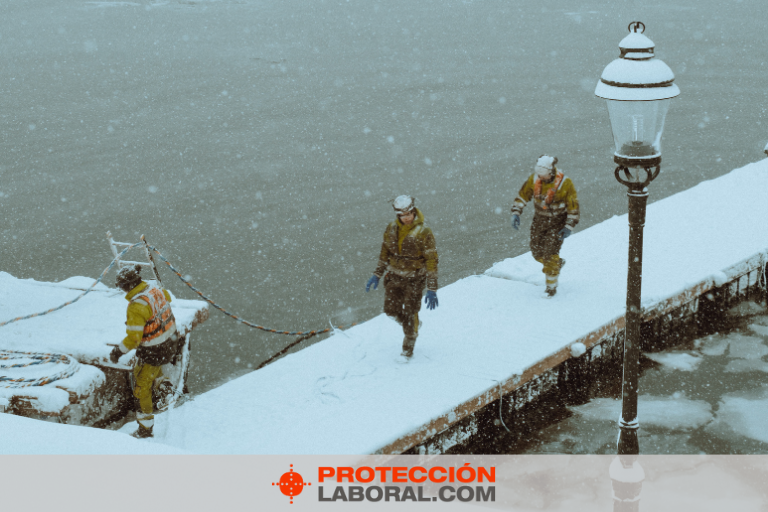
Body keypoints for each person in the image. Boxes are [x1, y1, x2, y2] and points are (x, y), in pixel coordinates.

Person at [109, 264, 179, 438]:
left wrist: (118, 351)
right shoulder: (155, 289)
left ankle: (145, 429)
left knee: (141, 388)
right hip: (171, 340)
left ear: (128, 286)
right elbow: (168, 298)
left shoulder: (136, 306)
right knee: (154, 370)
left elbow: (134, 339)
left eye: (122, 287)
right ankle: (163, 385)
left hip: (153, 351)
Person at [365, 195, 439, 359]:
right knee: (390, 311)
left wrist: (432, 288)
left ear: (413, 211)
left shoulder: (424, 232)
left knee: (410, 312)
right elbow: (385, 253)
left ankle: (408, 348)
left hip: (414, 279)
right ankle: (412, 324)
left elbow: (431, 260)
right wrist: (377, 274)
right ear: (398, 215)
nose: (407, 218)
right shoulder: (391, 229)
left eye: (409, 214)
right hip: (394, 277)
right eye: (403, 216)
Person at [510, 155, 579, 297]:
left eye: (545, 177)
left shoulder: (565, 183)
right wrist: (516, 212)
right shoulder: (534, 179)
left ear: (552, 172)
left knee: (550, 254)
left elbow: (573, 206)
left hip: (557, 222)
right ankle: (556, 264)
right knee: (537, 252)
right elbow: (523, 195)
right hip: (539, 220)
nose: (542, 179)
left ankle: (551, 288)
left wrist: (569, 226)